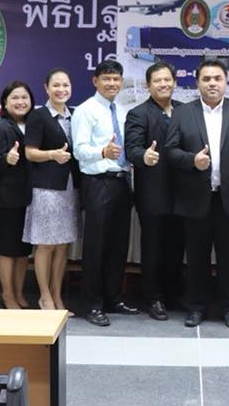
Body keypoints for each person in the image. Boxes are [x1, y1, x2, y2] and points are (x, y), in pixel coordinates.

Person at [165, 59, 229, 329]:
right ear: (197, 83)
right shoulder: (183, 113)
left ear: (226, 82)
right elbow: (170, 152)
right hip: (195, 198)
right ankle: (196, 306)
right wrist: (192, 160)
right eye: (206, 79)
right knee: (196, 257)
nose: (212, 83)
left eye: (217, 78)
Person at [72, 60, 138, 326]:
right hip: (98, 182)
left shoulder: (121, 110)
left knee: (118, 245)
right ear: (95, 81)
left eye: (116, 79)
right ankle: (92, 304)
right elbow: (79, 150)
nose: (112, 83)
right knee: (96, 246)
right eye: (107, 78)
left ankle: (113, 298)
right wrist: (103, 152)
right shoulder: (85, 110)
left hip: (122, 182)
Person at [125, 61, 184, 321]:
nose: (163, 84)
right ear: (148, 85)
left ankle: (173, 293)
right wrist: (144, 156)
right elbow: (132, 149)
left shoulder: (185, 110)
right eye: (157, 80)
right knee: (152, 247)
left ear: (175, 82)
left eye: (167, 79)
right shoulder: (138, 114)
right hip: (152, 193)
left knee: (176, 246)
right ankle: (153, 297)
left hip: (182, 194)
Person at [24, 69, 81, 312]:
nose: (61, 90)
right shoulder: (38, 116)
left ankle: (57, 295)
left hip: (70, 188)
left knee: (62, 244)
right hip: (46, 189)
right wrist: (52, 155)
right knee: (46, 244)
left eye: (65, 85)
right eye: (56, 85)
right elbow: (30, 153)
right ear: (46, 88)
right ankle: (44, 296)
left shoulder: (76, 115)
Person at [0, 80, 34, 310]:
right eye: (15, 97)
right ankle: (7, 295)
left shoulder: (32, 125)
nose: (20, 102)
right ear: (5, 102)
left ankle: (18, 292)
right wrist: (7, 159)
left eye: (24, 97)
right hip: (6, 200)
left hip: (27, 197)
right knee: (7, 250)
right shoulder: (1, 128)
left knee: (23, 250)